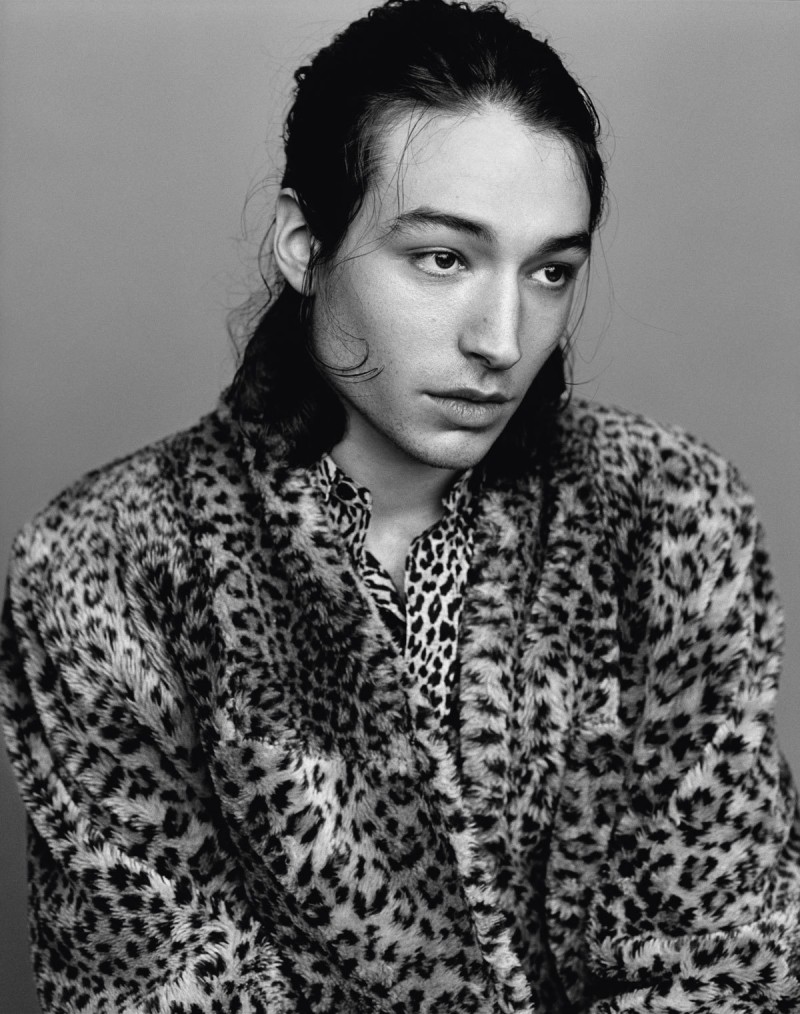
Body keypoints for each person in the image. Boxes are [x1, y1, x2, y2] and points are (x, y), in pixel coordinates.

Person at [1, 0, 798, 1010]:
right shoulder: (107, 565)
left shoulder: (669, 517)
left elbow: (725, 954)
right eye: (442, 258)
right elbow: (152, 984)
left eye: (549, 270)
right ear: (303, 244)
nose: (501, 339)